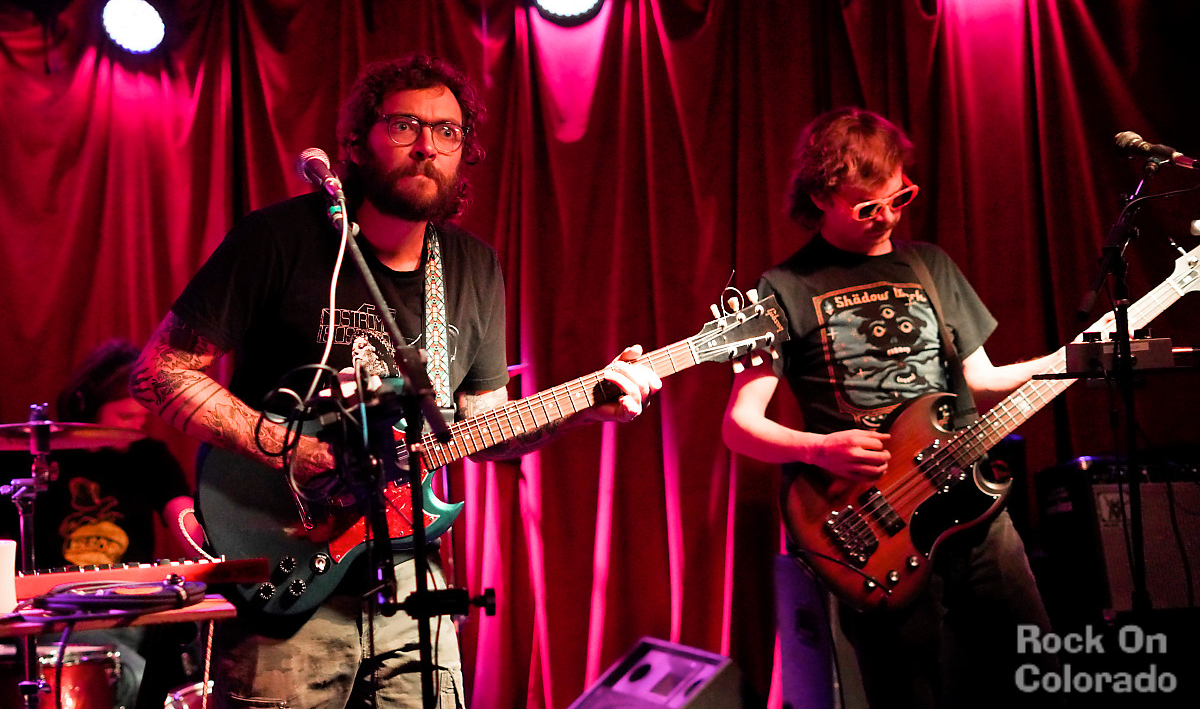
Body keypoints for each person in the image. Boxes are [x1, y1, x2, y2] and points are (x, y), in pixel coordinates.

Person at [130, 53, 661, 709]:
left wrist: (584, 407)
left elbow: (483, 430)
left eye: (447, 131)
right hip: (282, 569)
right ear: (357, 142)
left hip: (410, 586)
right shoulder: (278, 240)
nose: (427, 147)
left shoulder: (471, 267)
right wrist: (293, 449)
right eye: (405, 125)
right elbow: (160, 371)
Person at [721, 108, 1059, 708]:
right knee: (907, 693)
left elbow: (981, 381)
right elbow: (741, 426)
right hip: (876, 522)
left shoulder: (931, 265)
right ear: (822, 197)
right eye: (867, 208)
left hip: (972, 503)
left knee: (1036, 671)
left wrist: (1068, 360)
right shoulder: (782, 288)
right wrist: (820, 448)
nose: (888, 217)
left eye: (899, 198)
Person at [0, 338, 204, 709]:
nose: (138, 424)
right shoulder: (31, 458)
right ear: (86, 405)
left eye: (142, 416)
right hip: (56, 616)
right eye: (125, 417)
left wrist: (213, 532)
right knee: (132, 678)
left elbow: (185, 521)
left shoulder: (148, 456)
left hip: (132, 610)